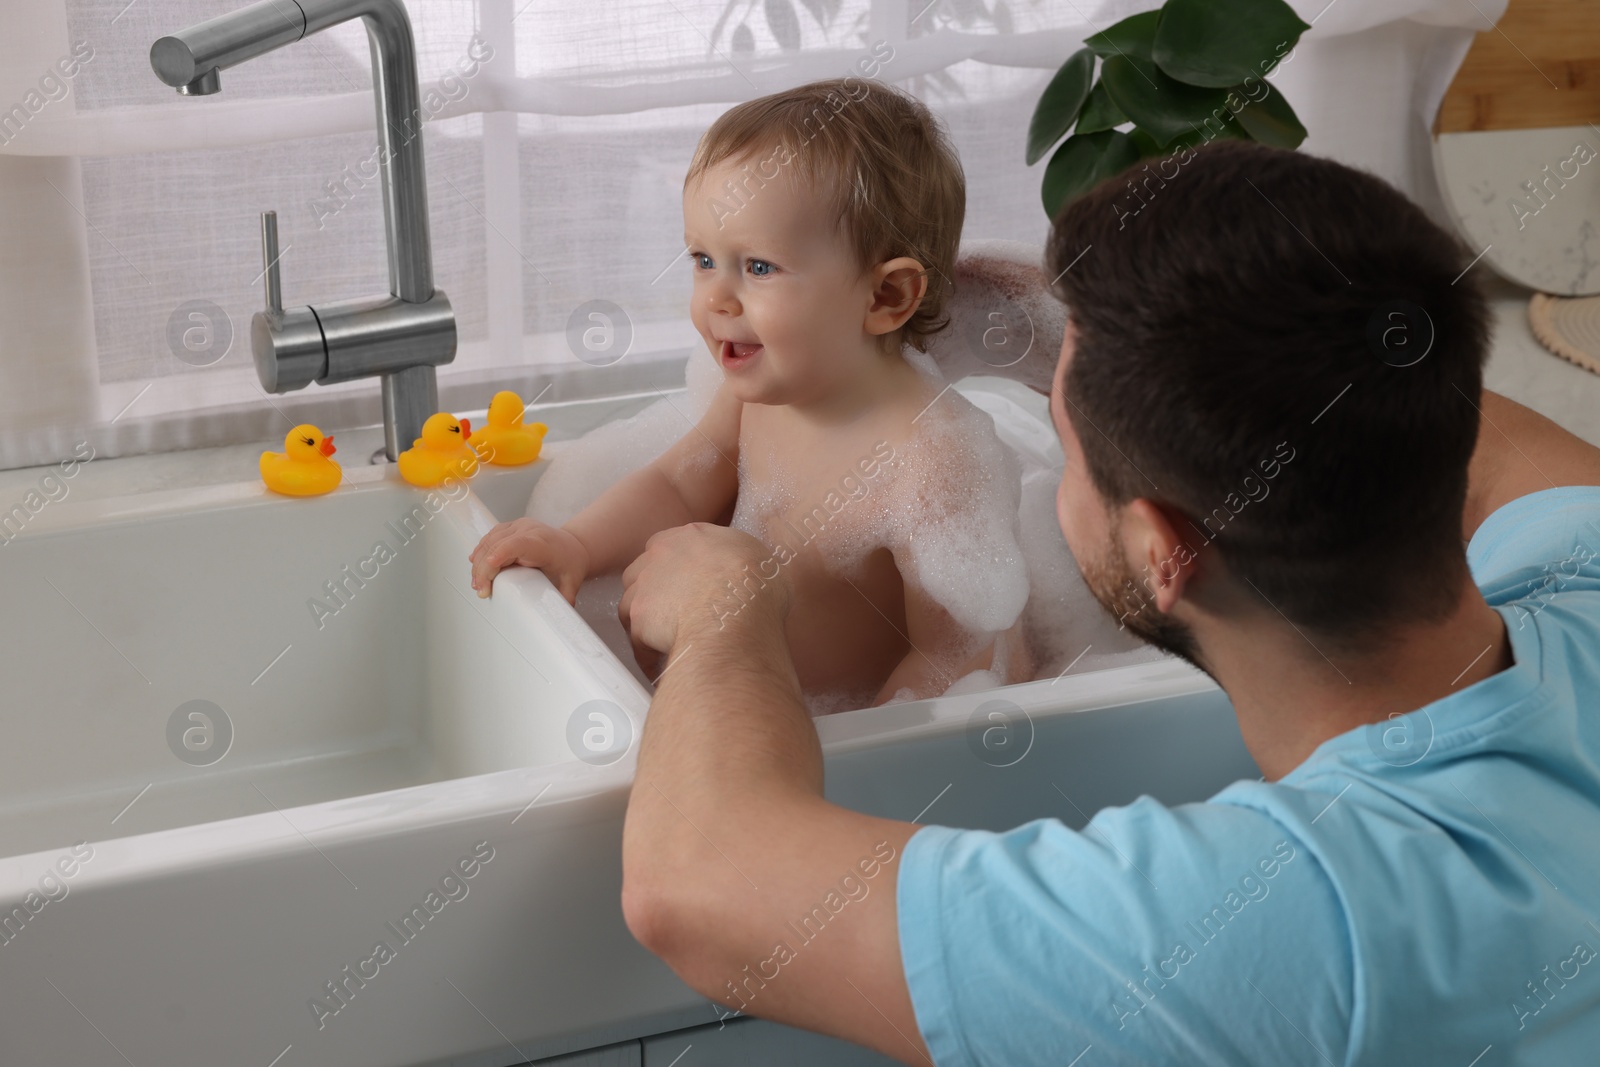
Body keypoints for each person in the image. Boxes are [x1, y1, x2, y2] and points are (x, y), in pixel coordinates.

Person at [614, 139, 1600, 1064]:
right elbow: (1440, 412)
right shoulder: (1581, 580)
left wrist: (724, 614)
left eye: (1068, 448)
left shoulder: (1280, 923)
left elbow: (697, 885)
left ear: (1162, 551)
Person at [468, 78, 1034, 713]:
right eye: (703, 260)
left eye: (759, 268)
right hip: (743, 705)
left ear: (886, 297)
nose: (716, 298)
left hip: (840, 729)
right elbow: (677, 488)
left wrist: (867, 748)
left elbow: (959, 657)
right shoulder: (758, 397)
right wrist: (575, 544)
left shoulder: (933, 459)